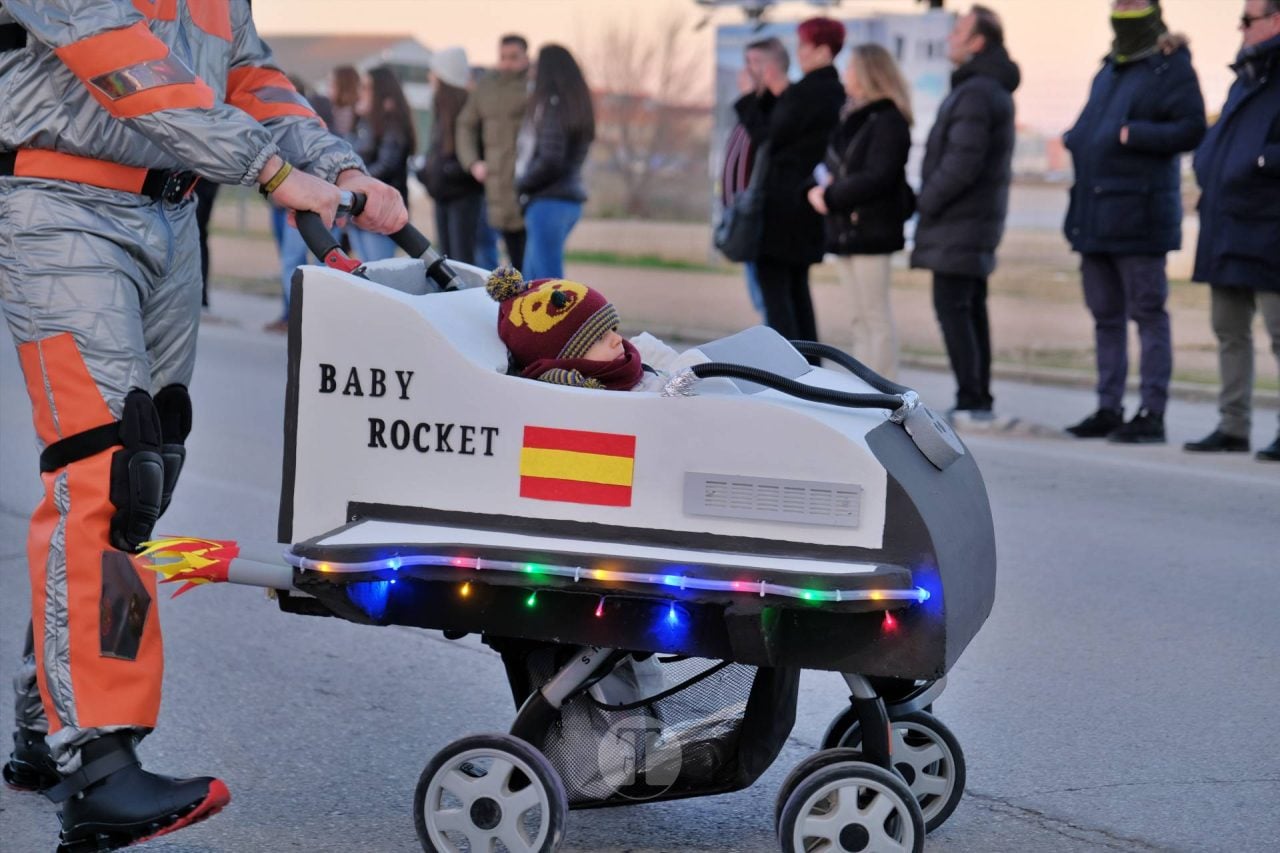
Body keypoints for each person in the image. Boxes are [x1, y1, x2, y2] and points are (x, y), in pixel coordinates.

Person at [0, 2, 407, 849]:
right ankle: (100, 760)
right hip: (60, 206)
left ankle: (48, 720)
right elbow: (123, 59)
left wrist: (336, 165)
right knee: (109, 468)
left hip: (171, 220)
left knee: (146, 477)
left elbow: (247, 75)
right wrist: (267, 170)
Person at [1062, 0, 1206, 444]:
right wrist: (1076, 139)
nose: (1123, 10)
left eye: (1133, 3)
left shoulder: (1171, 68)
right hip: (1094, 214)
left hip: (1140, 218)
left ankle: (1152, 412)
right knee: (1105, 317)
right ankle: (1109, 407)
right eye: (1118, 3)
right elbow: (1088, 127)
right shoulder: (1108, 69)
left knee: (1147, 314)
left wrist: (1135, 134)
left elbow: (1192, 128)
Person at [911, 5, 1020, 423]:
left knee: (955, 304)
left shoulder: (976, 91)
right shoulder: (984, 87)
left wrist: (925, 202)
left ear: (978, 42)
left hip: (961, 220)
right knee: (969, 305)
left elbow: (961, 163)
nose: (950, 39)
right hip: (972, 220)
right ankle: (977, 397)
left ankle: (972, 398)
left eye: (958, 31)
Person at [1184, 0, 1280, 462]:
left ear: (1277, 20)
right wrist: (1209, 162)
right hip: (1226, 221)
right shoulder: (1246, 75)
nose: (1240, 28)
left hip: (1271, 223)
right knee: (1228, 328)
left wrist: (1260, 162)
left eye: (1248, 19)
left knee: (1279, 331)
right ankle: (1233, 425)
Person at [735, 17, 846, 344]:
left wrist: (747, 99)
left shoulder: (810, 91)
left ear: (823, 50)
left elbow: (768, 137)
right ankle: (810, 370)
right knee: (796, 290)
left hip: (784, 207)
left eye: (804, 46)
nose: (799, 53)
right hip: (802, 205)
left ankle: (791, 374)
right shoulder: (828, 91)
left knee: (778, 295)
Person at [808, 43, 915, 379]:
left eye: (852, 68)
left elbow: (878, 176)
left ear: (869, 73)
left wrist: (831, 196)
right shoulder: (850, 117)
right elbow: (837, 166)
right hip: (845, 227)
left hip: (871, 229)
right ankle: (863, 384)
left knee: (874, 314)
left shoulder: (888, 120)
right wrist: (820, 190)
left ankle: (883, 389)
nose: (846, 75)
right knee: (858, 316)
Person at [485, 267, 663, 391]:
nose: (617, 339)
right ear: (564, 364)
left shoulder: (642, 353)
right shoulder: (585, 398)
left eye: (612, 329)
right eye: (599, 338)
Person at [516, 44, 595, 280]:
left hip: (549, 201)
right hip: (563, 201)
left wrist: (522, 183)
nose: (531, 71)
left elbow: (550, 159)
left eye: (535, 66)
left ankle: (559, 319)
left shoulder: (553, 107)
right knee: (534, 279)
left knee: (546, 283)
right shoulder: (573, 106)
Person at [727, 37, 790, 319]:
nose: (748, 70)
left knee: (769, 301)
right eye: (746, 62)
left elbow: (766, 142)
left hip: (762, 217)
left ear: (773, 66)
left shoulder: (774, 106)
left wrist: (747, 99)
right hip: (742, 212)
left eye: (755, 62)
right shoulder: (755, 106)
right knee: (759, 296)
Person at [458, 34, 531, 270]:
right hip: (495, 185)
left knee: (530, 260)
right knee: (510, 258)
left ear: (525, 58)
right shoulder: (487, 86)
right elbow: (465, 124)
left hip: (527, 183)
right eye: (503, 57)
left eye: (513, 57)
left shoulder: (534, 86)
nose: (507, 63)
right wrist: (472, 162)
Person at [420, 47, 485, 265]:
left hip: (462, 194)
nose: (430, 77)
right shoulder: (440, 107)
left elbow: (474, 153)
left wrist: (446, 172)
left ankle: (468, 299)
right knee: (447, 258)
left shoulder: (468, 107)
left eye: (433, 72)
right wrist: (428, 173)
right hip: (444, 192)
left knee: (462, 259)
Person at [350, 66, 416, 262]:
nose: (362, 92)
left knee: (378, 270)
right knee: (365, 269)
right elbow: (349, 150)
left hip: (381, 208)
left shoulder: (392, 122)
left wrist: (356, 182)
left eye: (367, 87)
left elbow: (386, 165)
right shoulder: (366, 121)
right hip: (361, 205)